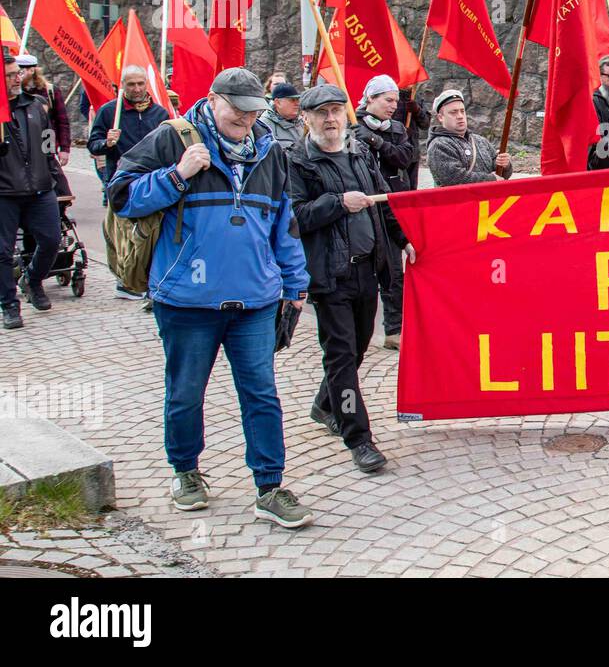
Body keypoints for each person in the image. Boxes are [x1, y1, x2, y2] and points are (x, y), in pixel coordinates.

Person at [108, 68, 314, 528]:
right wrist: (177, 176)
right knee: (185, 393)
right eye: (236, 109)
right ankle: (186, 472)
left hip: (256, 302)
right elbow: (121, 197)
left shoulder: (270, 153)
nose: (245, 118)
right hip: (186, 302)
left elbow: (285, 226)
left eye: (253, 110)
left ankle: (270, 485)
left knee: (261, 394)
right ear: (213, 100)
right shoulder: (171, 140)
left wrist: (295, 287)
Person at [289, 84, 413, 474]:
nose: (330, 119)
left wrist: (402, 239)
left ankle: (325, 404)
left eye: (335, 111)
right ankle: (358, 437)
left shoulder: (358, 151)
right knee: (341, 356)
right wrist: (338, 203)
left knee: (357, 349)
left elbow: (383, 201)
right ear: (306, 118)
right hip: (330, 275)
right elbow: (294, 217)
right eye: (322, 112)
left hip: (367, 269)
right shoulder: (297, 161)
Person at [88, 65, 170, 298]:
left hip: (152, 182)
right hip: (121, 183)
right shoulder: (109, 112)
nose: (136, 89)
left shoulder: (159, 113)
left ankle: (148, 277)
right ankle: (126, 279)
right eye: (131, 84)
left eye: (140, 83)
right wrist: (107, 143)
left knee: (151, 233)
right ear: (122, 85)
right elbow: (93, 145)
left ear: (147, 84)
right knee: (124, 235)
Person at [352, 74, 417, 351]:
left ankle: (394, 329)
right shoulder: (351, 124)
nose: (393, 106)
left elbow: (405, 157)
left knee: (393, 268)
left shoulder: (397, 128)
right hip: (361, 202)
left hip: (390, 202)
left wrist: (378, 143)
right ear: (371, 99)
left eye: (395, 100)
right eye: (388, 100)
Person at [0, 54, 62, 329]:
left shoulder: (36, 106)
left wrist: (55, 175)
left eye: (17, 73)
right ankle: (10, 305)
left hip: (40, 188)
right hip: (4, 192)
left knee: (51, 240)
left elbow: (48, 143)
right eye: (11, 74)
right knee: (2, 252)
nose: (17, 77)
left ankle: (33, 279)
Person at [427, 89, 513, 186]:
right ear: (440, 117)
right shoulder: (438, 146)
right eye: (453, 112)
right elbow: (454, 178)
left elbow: (501, 176)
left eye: (462, 111)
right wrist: (490, 179)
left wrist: (505, 165)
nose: (460, 116)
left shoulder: (480, 141)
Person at [18, 54, 70, 169]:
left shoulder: (50, 91)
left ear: (32, 70)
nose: (18, 76)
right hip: (21, 146)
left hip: (46, 145)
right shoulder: (14, 92)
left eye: (21, 71)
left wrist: (64, 149)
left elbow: (62, 121)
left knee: (51, 180)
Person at [396, 88, 431, 189]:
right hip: (396, 152)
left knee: (412, 189)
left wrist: (417, 110)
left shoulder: (416, 96)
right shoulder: (390, 95)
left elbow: (425, 124)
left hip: (413, 153)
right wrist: (400, 132)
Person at [261, 82, 304, 153]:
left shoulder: (303, 123)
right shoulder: (264, 126)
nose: (297, 103)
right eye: (292, 100)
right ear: (278, 102)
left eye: (297, 99)